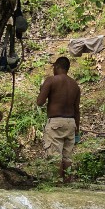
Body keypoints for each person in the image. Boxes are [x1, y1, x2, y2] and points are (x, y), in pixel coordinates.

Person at [37, 56, 82, 184]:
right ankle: (68, 183)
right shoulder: (75, 85)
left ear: (56, 66)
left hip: (56, 122)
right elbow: (77, 110)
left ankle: (56, 184)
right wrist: (77, 129)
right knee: (67, 156)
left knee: (54, 156)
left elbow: (39, 102)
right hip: (71, 123)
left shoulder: (51, 81)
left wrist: (42, 89)